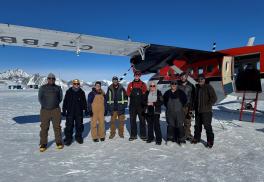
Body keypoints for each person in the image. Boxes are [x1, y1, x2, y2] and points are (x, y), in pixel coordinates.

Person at [38, 73, 63, 152]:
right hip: (45, 110)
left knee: (57, 127)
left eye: (53, 78)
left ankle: (58, 142)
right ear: (47, 79)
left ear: (54, 80)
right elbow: (40, 98)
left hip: (56, 110)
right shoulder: (42, 88)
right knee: (44, 127)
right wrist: (45, 105)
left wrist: (54, 104)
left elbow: (60, 98)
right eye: (49, 78)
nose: (51, 80)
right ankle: (43, 144)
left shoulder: (58, 88)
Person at [191, 74, 217, 148]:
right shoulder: (197, 88)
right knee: (197, 126)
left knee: (207, 126)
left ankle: (210, 141)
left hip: (206, 111)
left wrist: (208, 105)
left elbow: (214, 98)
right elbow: (195, 99)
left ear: (204, 80)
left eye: (202, 79)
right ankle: (196, 138)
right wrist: (193, 108)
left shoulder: (208, 87)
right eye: (199, 79)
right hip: (198, 111)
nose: (200, 80)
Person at [62, 79, 88, 146]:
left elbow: (84, 102)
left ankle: (78, 137)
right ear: (73, 84)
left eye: (77, 84)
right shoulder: (69, 91)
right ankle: (68, 138)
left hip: (79, 112)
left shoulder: (82, 92)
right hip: (70, 112)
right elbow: (65, 101)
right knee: (69, 126)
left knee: (79, 125)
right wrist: (64, 110)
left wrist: (85, 110)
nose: (76, 85)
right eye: (75, 84)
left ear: (79, 84)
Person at [163, 80, 187, 144]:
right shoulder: (167, 93)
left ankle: (181, 139)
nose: (174, 85)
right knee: (170, 125)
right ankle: (170, 139)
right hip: (170, 112)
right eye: (172, 83)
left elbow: (185, 101)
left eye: (175, 83)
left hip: (179, 112)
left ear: (177, 85)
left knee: (180, 125)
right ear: (170, 85)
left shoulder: (181, 92)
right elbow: (164, 101)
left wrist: (179, 107)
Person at [127, 70, 147, 141]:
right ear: (134, 76)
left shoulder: (143, 84)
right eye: (136, 75)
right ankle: (133, 135)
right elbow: (128, 93)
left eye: (138, 75)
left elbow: (145, 94)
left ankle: (143, 135)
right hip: (132, 106)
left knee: (142, 120)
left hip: (141, 106)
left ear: (140, 76)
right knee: (132, 121)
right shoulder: (130, 84)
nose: (137, 76)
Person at [178, 72, 196, 141]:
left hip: (188, 106)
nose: (183, 78)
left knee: (187, 121)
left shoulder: (191, 86)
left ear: (186, 77)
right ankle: (180, 134)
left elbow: (193, 97)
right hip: (179, 107)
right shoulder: (177, 85)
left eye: (184, 76)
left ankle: (188, 134)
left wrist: (192, 107)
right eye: (181, 76)